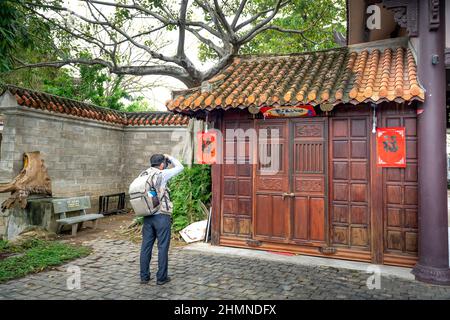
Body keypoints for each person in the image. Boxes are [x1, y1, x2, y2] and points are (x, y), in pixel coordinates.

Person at [139, 153, 184, 285]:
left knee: (146, 246)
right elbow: (180, 167)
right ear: (162, 164)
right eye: (165, 163)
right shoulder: (162, 174)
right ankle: (161, 277)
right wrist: (170, 157)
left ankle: (144, 277)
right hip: (161, 215)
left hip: (147, 215)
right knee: (163, 247)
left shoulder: (144, 174)